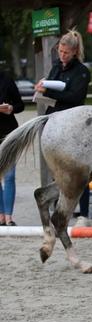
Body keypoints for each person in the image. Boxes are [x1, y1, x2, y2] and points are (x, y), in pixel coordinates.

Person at [34, 29, 91, 227]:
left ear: (74, 51)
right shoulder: (56, 68)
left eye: (66, 52)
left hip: (75, 124)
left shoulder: (82, 71)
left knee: (81, 168)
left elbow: (75, 97)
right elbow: (51, 90)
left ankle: (84, 213)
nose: (62, 55)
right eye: (60, 51)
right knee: (57, 168)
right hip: (56, 121)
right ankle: (61, 208)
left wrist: (53, 92)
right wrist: (42, 89)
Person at [0, 71, 25, 226]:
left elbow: (20, 105)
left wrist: (11, 108)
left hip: (9, 133)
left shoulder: (7, 79)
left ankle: (9, 217)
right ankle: (1, 216)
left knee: (9, 176)